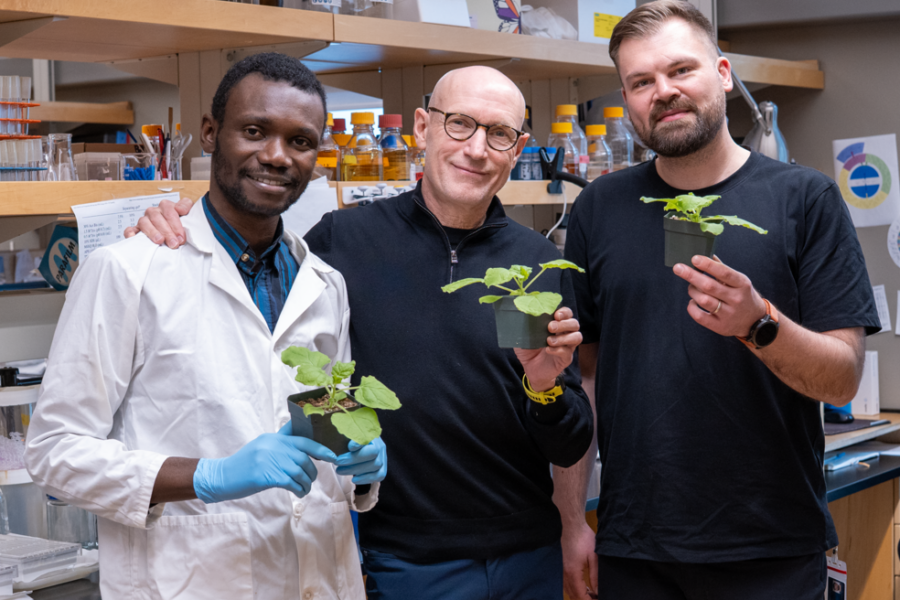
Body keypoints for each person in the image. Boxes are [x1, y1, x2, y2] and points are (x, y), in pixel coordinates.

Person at [128, 65, 594, 599]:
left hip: (526, 558)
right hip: (399, 560)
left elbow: (570, 439)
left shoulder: (536, 265)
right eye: (460, 124)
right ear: (422, 128)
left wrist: (544, 387)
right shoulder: (341, 243)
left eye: (500, 133)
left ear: (518, 148)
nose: (477, 148)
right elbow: (241, 265)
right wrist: (170, 221)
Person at [25, 53, 389, 600]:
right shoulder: (128, 271)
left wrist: (361, 469)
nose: (276, 156)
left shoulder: (325, 283)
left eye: (301, 141)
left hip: (320, 579)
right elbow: (54, 454)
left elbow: (323, 427)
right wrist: (205, 475)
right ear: (211, 133)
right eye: (254, 131)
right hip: (189, 582)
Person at [552, 2, 880, 599]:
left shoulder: (805, 199)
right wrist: (573, 521)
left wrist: (759, 324)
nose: (664, 92)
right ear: (627, 99)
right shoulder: (599, 208)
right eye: (641, 82)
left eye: (682, 71)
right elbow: (587, 379)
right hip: (636, 547)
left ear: (724, 73)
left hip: (772, 547)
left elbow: (842, 380)